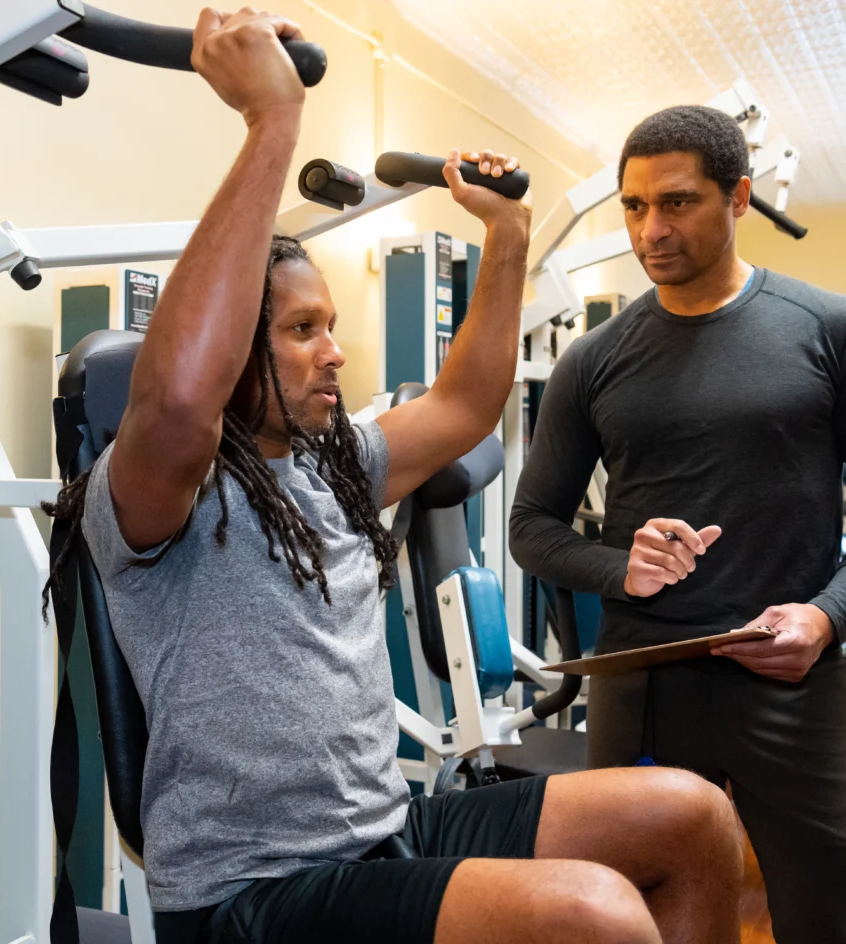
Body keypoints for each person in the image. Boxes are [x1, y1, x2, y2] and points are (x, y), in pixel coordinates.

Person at [47, 13, 742, 944]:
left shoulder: (339, 466)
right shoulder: (153, 498)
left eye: (330, 325)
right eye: (301, 332)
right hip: (253, 888)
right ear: (229, 353)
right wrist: (270, 124)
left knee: (694, 817)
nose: (336, 352)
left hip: (386, 829)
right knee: (596, 915)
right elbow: (173, 402)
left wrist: (507, 233)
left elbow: (464, 406)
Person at [509, 103, 846, 944]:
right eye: (632, 206)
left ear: (737, 199)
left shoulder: (825, 329)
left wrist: (825, 617)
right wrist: (621, 566)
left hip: (793, 681)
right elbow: (532, 524)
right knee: (638, 922)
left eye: (677, 202)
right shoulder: (596, 357)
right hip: (644, 683)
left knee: (823, 917)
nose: (650, 229)